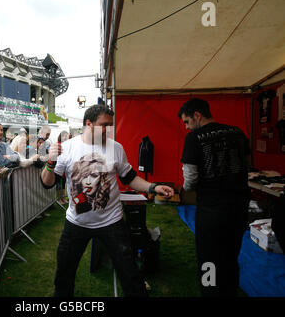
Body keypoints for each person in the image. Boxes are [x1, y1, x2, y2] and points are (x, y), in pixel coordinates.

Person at [40, 104, 174, 297]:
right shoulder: (68, 148)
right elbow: (47, 183)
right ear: (88, 124)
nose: (108, 129)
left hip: (111, 222)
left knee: (129, 272)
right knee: (64, 274)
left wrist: (153, 187)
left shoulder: (116, 148)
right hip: (76, 223)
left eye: (110, 125)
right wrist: (51, 162)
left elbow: (130, 178)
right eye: (104, 125)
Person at [178, 98, 250, 297]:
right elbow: (247, 165)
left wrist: (184, 190)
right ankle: (229, 290)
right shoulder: (237, 132)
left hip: (212, 209)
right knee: (231, 253)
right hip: (239, 206)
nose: (186, 127)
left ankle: (209, 292)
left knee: (208, 257)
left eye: (187, 122)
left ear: (197, 116)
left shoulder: (194, 138)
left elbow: (190, 179)